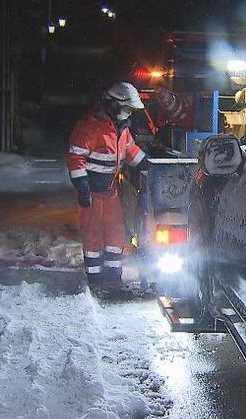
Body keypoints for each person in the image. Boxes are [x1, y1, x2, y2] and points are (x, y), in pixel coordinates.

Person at [66, 82, 151, 294]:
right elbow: (75, 158)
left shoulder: (121, 130)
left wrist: (148, 165)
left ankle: (113, 278)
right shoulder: (88, 128)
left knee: (116, 235)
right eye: (126, 108)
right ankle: (95, 279)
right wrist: (82, 187)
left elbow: (131, 151)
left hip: (111, 191)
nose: (128, 113)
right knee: (93, 236)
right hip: (92, 193)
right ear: (112, 105)